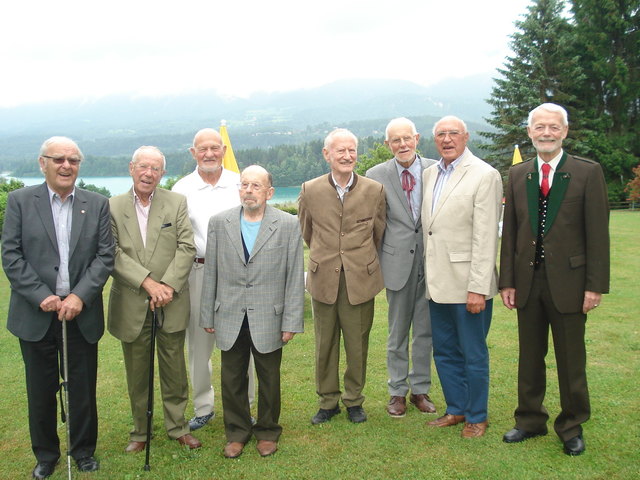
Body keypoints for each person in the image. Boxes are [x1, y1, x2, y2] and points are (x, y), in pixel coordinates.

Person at [499, 103, 610, 456]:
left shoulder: (586, 173)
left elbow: (598, 235)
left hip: (572, 284)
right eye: (539, 127)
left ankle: (571, 425)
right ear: (530, 132)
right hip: (528, 282)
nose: (546, 133)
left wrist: (595, 285)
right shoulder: (518, 175)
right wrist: (508, 282)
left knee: (570, 358)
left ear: (564, 131)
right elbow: (512, 234)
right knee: (530, 356)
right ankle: (530, 420)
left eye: (553, 127)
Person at [1, 136, 114, 479]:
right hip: (36, 314)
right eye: (59, 159)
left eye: (73, 160)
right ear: (43, 163)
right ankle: (46, 455)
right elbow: (11, 254)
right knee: (40, 389)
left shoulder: (97, 204)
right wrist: (40, 295)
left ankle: (82, 451)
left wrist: (80, 295)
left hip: (81, 313)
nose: (67, 165)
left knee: (82, 388)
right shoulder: (20, 200)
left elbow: (105, 256)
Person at [200, 165, 304, 458]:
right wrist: (208, 314)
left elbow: (294, 275)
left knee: (269, 377)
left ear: (269, 192)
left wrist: (292, 320)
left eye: (256, 186)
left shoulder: (287, 224)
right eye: (244, 184)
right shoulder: (219, 223)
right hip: (229, 313)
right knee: (231, 378)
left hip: (269, 315)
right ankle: (237, 432)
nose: (249, 190)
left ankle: (268, 431)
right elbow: (212, 273)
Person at [108, 146, 201, 453]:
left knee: (174, 368)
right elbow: (112, 253)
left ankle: (178, 427)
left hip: (170, 301)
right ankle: (140, 432)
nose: (148, 173)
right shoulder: (111, 206)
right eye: (143, 167)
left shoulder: (176, 202)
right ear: (131, 168)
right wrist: (148, 283)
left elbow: (187, 247)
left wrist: (167, 287)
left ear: (162, 173)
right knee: (137, 372)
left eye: (155, 169)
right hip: (133, 302)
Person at [421, 116, 502, 438]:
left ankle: (477, 416)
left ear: (466, 137)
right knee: (444, 351)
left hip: (469, 284)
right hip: (436, 284)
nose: (447, 139)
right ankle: (456, 409)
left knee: (473, 353)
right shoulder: (430, 174)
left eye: (453, 133)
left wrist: (478, 288)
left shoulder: (485, 175)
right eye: (441, 134)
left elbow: (486, 237)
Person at [298, 128, 386, 425]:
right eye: (340, 151)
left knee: (357, 343)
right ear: (327, 155)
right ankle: (328, 401)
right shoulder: (310, 190)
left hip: (360, 279)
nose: (347, 156)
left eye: (352, 150)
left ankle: (354, 400)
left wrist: (357, 258)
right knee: (325, 343)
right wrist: (327, 255)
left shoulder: (374, 190)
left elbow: (379, 232)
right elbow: (306, 231)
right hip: (323, 279)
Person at [172, 127, 255, 431]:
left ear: (223, 150)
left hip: (238, 274)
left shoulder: (240, 183)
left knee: (243, 339)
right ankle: (204, 406)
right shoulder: (181, 189)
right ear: (193, 153)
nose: (209, 154)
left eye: (214, 148)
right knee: (199, 343)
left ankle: (244, 405)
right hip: (199, 272)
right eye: (202, 149)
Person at [366, 117, 437, 417]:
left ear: (417, 138)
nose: (403, 145)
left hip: (432, 263)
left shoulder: (436, 169)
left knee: (425, 331)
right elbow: (372, 222)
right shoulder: (375, 175)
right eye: (396, 140)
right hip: (396, 263)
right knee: (397, 332)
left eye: (407, 138)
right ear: (387, 144)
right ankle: (397, 391)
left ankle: (420, 389)